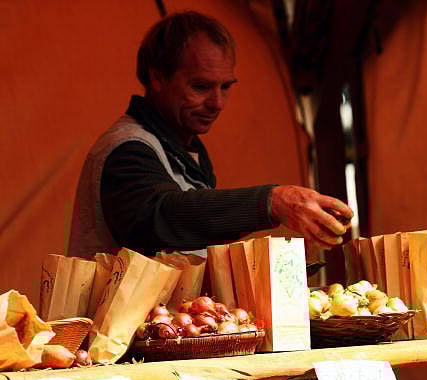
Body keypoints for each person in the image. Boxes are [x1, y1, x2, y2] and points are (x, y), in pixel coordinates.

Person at [68, 10, 353, 258]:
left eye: (226, 87)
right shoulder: (127, 148)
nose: (217, 103)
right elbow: (161, 215)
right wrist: (272, 201)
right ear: (157, 78)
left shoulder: (184, 147)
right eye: (201, 87)